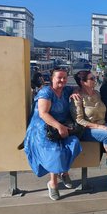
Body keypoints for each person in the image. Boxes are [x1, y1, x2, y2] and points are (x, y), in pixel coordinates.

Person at [23, 67, 82, 201]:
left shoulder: (66, 90)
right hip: (42, 128)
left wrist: (75, 92)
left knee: (74, 144)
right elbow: (43, 114)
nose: (62, 80)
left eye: (64, 77)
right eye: (59, 77)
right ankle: (53, 183)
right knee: (55, 151)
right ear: (52, 78)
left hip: (60, 126)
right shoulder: (46, 92)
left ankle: (64, 171)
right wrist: (59, 126)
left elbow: (76, 88)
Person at [71, 70, 107, 171]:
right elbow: (79, 120)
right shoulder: (78, 97)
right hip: (87, 129)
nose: (95, 80)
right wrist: (98, 127)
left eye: (94, 78)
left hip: (101, 123)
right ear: (83, 82)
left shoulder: (97, 94)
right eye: (91, 79)